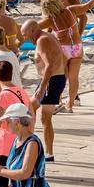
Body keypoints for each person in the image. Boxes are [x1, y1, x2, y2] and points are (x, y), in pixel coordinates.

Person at [39, 0, 94, 112]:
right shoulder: (71, 10)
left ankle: (58, 103)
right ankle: (70, 106)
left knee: (59, 76)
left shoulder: (50, 20)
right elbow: (89, 5)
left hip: (64, 48)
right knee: (74, 78)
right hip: (77, 47)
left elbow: (33, 28)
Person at [24, 20, 66, 161]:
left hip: (50, 81)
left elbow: (49, 65)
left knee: (42, 116)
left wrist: (42, 87)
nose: (25, 38)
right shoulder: (47, 37)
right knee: (32, 110)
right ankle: (33, 147)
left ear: (33, 30)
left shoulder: (42, 40)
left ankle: (45, 152)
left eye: (25, 34)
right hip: (52, 80)